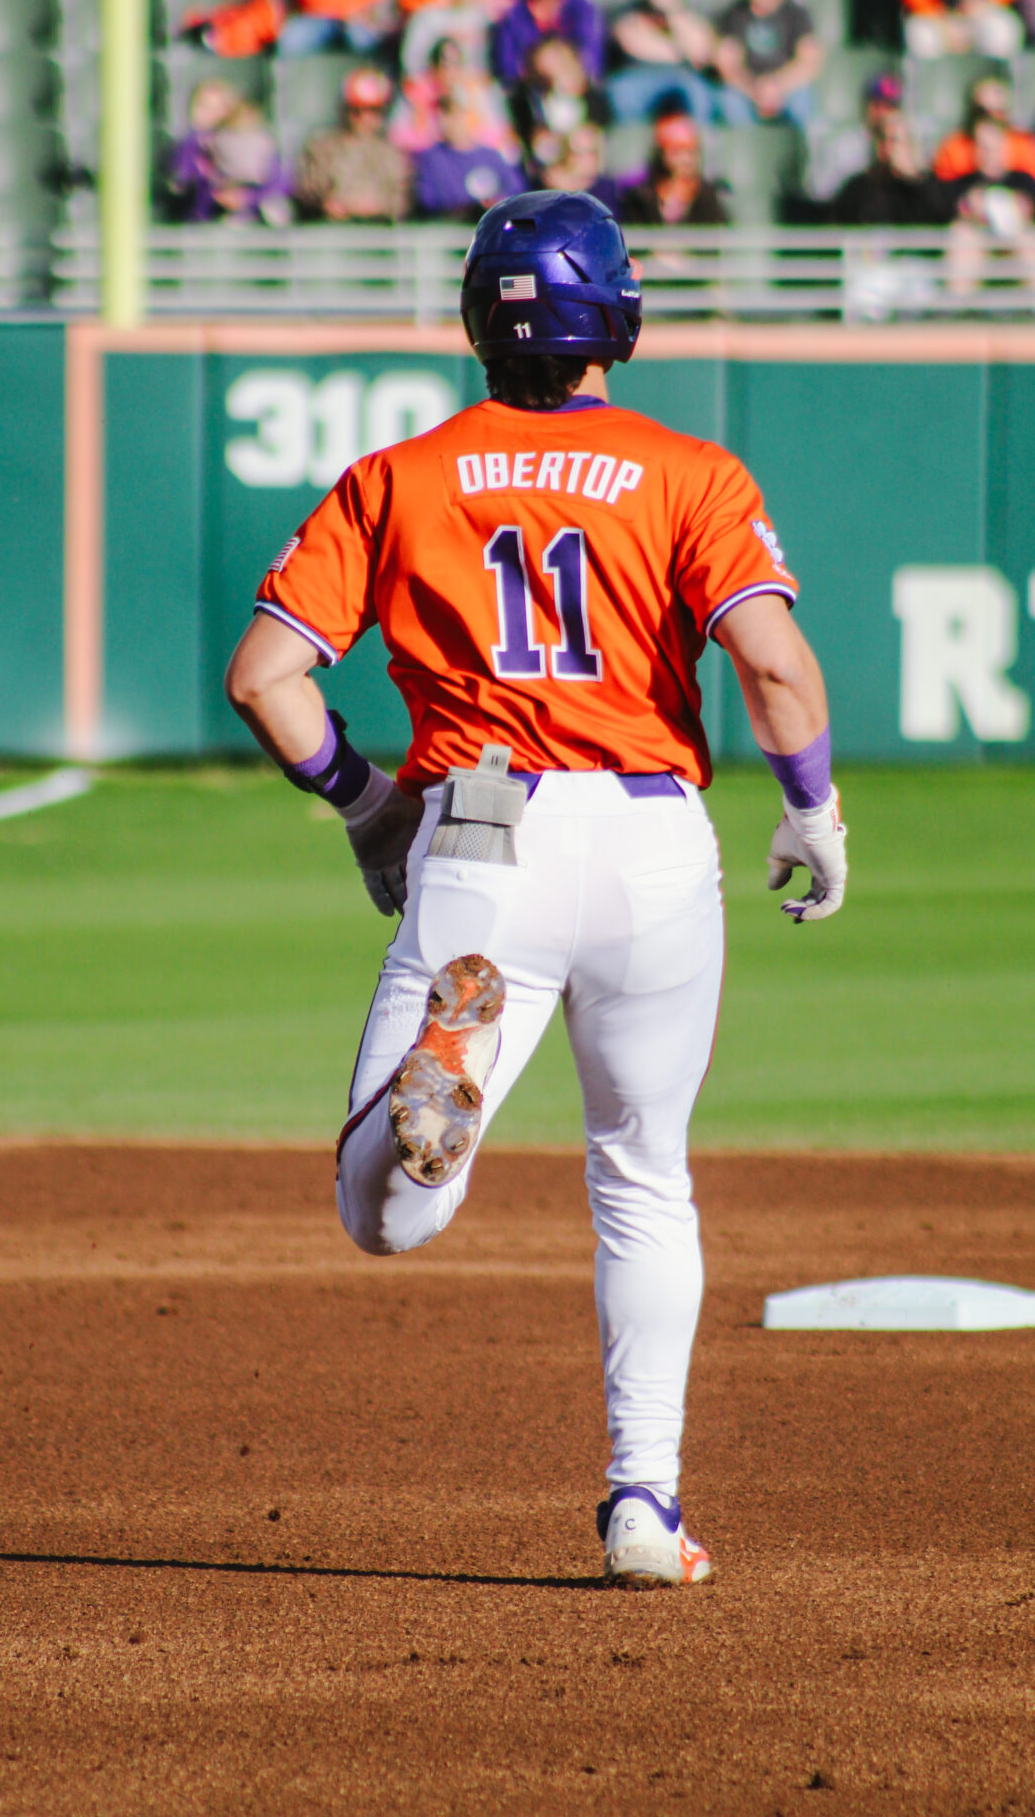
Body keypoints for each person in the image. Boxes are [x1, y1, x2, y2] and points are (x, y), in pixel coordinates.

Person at [224, 188, 848, 1589]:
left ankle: (432, 1108)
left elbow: (265, 680)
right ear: (614, 317)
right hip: (650, 840)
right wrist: (811, 809)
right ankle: (644, 1506)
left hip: (481, 832)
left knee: (385, 1220)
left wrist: (366, 806)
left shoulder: (397, 475)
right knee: (643, 1176)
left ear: (477, 323)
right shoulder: (689, 473)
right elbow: (770, 662)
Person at [608, 0, 720, 126]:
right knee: (621, 93)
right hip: (638, 77)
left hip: (684, 78)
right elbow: (633, 44)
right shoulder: (626, 14)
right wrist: (675, 50)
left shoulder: (695, 16)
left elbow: (700, 56)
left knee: (699, 93)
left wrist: (671, 14)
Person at [715, 0, 823, 129]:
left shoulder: (796, 14)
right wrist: (755, 89)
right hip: (749, 90)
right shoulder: (734, 15)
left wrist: (777, 86)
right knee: (729, 102)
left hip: (786, 88)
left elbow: (809, 61)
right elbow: (727, 64)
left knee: (802, 101)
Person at [166, 81, 293, 227]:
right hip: (205, 218)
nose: (209, 114)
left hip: (251, 215)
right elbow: (182, 182)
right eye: (202, 106)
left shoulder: (253, 141)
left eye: (218, 108)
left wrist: (247, 198)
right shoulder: (190, 145)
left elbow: (279, 181)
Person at [295, 66, 411, 220]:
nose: (365, 118)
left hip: (380, 228)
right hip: (332, 229)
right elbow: (309, 193)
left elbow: (402, 200)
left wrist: (374, 209)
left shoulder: (394, 155)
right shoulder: (321, 149)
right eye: (356, 111)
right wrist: (329, 206)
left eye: (373, 110)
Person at [945, 111, 1035, 294]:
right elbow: (949, 211)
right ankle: (959, 303)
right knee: (962, 236)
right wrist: (971, 208)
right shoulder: (963, 184)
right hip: (978, 245)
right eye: (982, 147)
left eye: (993, 148)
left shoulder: (1024, 182)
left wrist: (1018, 209)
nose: (988, 154)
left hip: (1015, 245)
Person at [389, 36, 516, 157]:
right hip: (429, 157)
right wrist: (436, 138)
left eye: (455, 64)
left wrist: (466, 138)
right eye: (444, 64)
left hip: (471, 156)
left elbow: (498, 133)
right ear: (433, 66)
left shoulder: (475, 90)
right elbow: (397, 135)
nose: (450, 71)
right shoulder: (415, 91)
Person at [508, 35, 609, 178]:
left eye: (558, 59)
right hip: (552, 162)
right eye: (548, 61)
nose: (555, 66)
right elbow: (534, 140)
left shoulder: (592, 94)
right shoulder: (528, 97)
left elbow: (597, 129)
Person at [413, 91, 525, 216]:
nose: (446, 123)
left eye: (452, 115)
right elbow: (429, 200)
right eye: (440, 117)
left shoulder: (490, 155)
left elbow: (517, 190)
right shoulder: (431, 158)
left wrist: (496, 202)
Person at [830, 109, 944, 224]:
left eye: (894, 141)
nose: (886, 148)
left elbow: (937, 218)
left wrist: (912, 178)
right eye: (883, 139)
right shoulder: (858, 189)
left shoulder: (926, 189)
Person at [616, 109, 728, 224]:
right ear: (661, 153)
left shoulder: (708, 196)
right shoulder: (641, 198)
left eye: (691, 151)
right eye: (677, 151)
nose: (686, 159)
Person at [934, 73, 1035, 184]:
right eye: (982, 112)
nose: (990, 119)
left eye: (997, 112)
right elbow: (941, 188)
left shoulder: (1023, 146)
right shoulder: (953, 148)